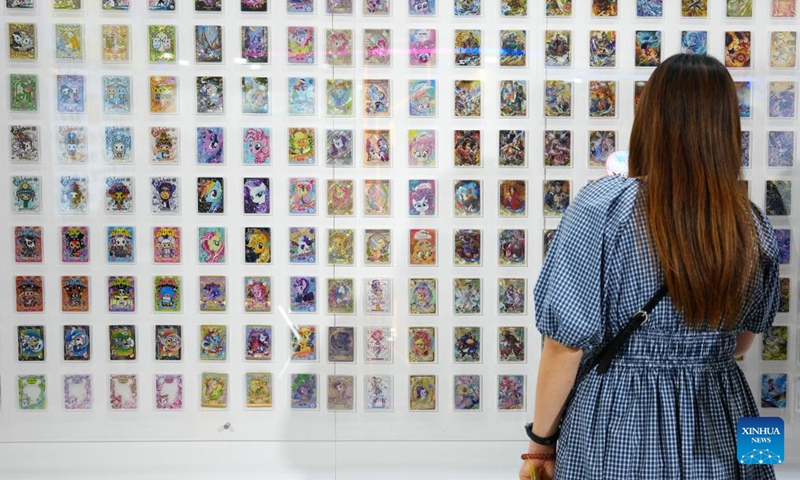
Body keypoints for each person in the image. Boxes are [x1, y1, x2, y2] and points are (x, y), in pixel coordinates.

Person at [519, 54, 779, 479]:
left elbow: (563, 348)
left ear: (650, 118)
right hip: (719, 413)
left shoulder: (603, 208)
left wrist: (540, 444)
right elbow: (741, 342)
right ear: (726, 128)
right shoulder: (750, 223)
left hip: (618, 419)